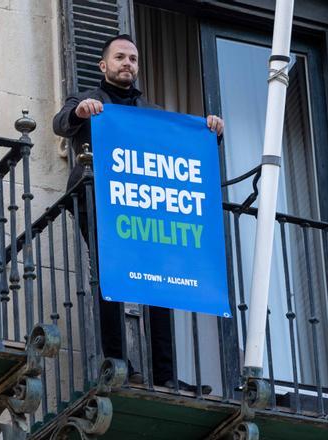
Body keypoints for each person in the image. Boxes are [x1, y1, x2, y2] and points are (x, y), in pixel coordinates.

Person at [53, 34, 223, 392]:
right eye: (119, 57)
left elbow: (183, 145)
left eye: (132, 58)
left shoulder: (155, 114)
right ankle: (118, 362)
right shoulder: (87, 99)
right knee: (110, 276)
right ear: (104, 65)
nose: (127, 63)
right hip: (99, 199)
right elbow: (61, 122)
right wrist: (80, 112)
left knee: (160, 284)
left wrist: (210, 132)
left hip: (145, 204)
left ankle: (164, 373)